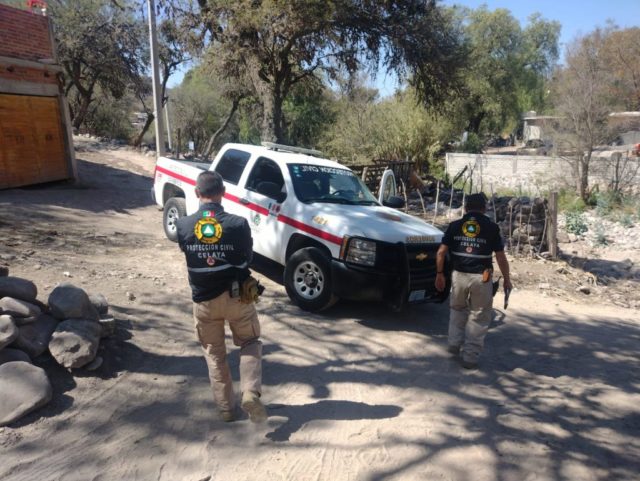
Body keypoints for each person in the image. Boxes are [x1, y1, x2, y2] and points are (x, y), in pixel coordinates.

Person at [176, 171, 266, 423]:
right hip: (238, 298)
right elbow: (248, 258)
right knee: (250, 342)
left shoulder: (183, 225)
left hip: (204, 302)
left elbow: (187, 249)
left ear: (197, 193)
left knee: (214, 354)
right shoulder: (238, 224)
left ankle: (226, 409)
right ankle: (250, 392)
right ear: (223, 193)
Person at [435, 193, 512, 369]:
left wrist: (439, 274)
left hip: (458, 276)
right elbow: (500, 257)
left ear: (466, 208)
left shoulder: (454, 226)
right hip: (481, 278)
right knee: (479, 315)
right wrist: (507, 279)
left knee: (457, 309)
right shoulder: (492, 228)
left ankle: (454, 344)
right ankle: (470, 358)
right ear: (484, 209)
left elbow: (440, 253)